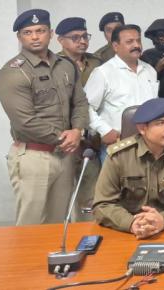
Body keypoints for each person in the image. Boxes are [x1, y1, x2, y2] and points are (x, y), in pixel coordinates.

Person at [0, 9, 89, 225]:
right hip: (33, 156)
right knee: (30, 226)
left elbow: (80, 103)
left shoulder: (66, 65)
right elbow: (24, 121)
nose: (35, 37)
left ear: (51, 33)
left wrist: (77, 130)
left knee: (57, 223)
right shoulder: (13, 72)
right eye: (28, 32)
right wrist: (67, 139)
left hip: (64, 155)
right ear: (19, 37)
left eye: (40, 30)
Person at [92, 98, 164, 238]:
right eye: (161, 123)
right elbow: (102, 204)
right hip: (128, 233)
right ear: (142, 128)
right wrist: (131, 223)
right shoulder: (118, 156)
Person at [84, 24, 159, 163]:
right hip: (117, 144)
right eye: (130, 42)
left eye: (138, 40)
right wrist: (105, 130)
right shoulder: (103, 73)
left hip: (147, 144)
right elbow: (85, 106)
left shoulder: (149, 71)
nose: (136, 45)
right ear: (115, 46)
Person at [56, 16, 103, 220]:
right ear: (60, 40)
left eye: (85, 36)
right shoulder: (53, 64)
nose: (82, 41)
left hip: (91, 140)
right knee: (60, 198)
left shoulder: (97, 63)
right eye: (75, 37)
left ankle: (85, 233)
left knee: (90, 196)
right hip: (63, 138)